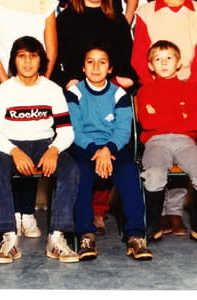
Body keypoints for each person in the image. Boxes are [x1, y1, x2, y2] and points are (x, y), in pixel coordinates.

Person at [131, 0, 197, 238]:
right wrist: (154, 87)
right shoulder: (146, 12)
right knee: (158, 159)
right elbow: (140, 57)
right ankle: (157, 219)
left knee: (188, 152)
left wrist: (186, 84)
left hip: (187, 84)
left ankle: (176, 213)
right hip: (154, 85)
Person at [54, 0, 138, 232]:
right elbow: (55, 60)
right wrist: (67, 81)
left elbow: (127, 65)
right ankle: (82, 213)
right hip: (76, 90)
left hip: (106, 88)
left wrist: (119, 79)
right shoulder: (66, 18)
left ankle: (99, 209)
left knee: (110, 142)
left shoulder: (117, 20)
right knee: (83, 150)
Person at [0, 0, 58, 235]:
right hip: (5, 82)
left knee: (33, 138)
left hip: (37, 83)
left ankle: (27, 213)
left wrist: (40, 85)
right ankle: (10, 213)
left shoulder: (45, 3)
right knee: (10, 145)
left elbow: (51, 47)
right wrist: (8, 85)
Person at [0, 36, 79, 264]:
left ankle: (57, 238)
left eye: (33, 56)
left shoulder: (52, 90)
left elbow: (67, 131)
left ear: (41, 60)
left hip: (44, 144)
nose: (27, 62)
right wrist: (14, 151)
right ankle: (9, 238)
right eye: (21, 56)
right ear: (13, 61)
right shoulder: (3, 91)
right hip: (10, 145)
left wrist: (54, 149)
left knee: (71, 169)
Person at [66, 44, 152, 261]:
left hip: (113, 147)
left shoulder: (119, 94)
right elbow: (74, 130)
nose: (96, 67)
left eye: (102, 62)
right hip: (84, 147)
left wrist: (107, 150)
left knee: (129, 171)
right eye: (90, 62)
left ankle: (135, 235)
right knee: (80, 172)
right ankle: (86, 234)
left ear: (110, 68)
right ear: (83, 68)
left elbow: (123, 130)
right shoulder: (74, 93)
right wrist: (96, 151)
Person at [136, 40, 197, 248]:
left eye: (169, 58)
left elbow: (194, 123)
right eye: (158, 59)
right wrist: (178, 113)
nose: (164, 63)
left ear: (179, 63)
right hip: (156, 142)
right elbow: (147, 123)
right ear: (150, 65)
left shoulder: (189, 89)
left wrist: (161, 114)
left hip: (185, 142)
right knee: (154, 173)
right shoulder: (144, 91)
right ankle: (153, 224)